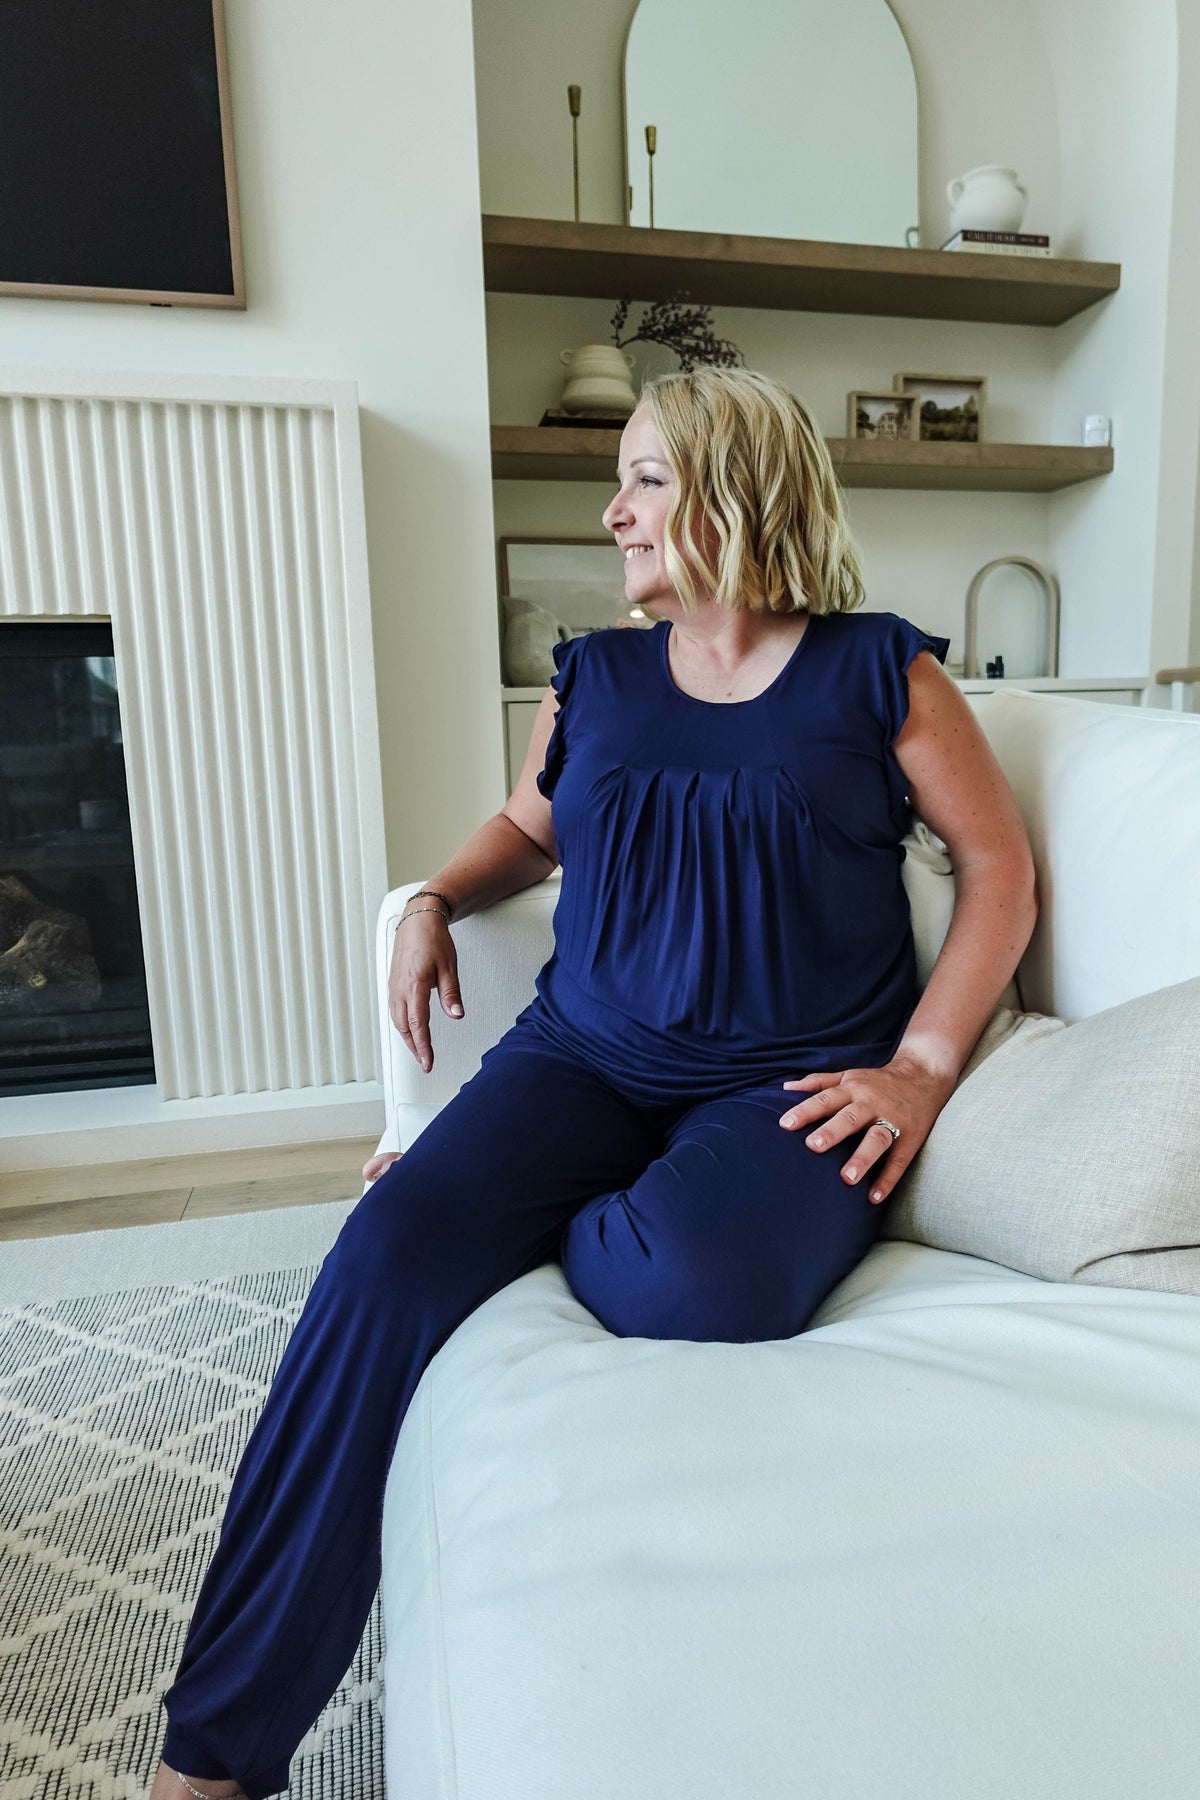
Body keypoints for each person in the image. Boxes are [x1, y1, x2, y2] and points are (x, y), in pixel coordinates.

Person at [149, 367, 1036, 1800]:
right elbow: (527, 827)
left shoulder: (885, 675)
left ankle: (543, 1209)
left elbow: (1001, 870)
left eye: (644, 480)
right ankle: (214, 1756)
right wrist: (438, 892)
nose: (613, 511)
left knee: (692, 1283)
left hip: (788, 1083)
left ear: (735, 493)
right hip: (581, 1058)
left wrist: (924, 1070)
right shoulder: (596, 677)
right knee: (381, 1255)